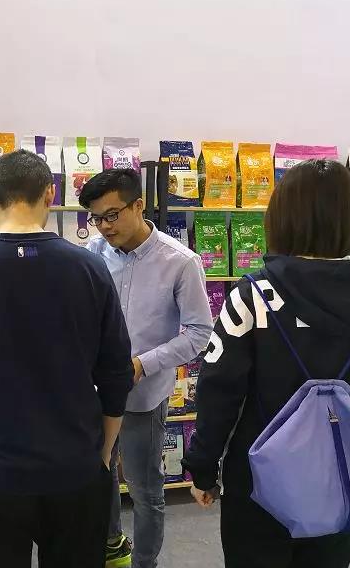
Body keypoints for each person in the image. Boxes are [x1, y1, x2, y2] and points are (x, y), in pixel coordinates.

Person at [0, 150, 134, 568]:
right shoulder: (90, 269)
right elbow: (116, 373)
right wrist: (103, 453)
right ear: (50, 194)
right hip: (76, 468)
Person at [182, 159, 350, 568]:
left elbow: (218, 390)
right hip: (343, 475)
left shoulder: (253, 295)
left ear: (280, 217)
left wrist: (203, 469)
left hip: (260, 480)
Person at [79, 169, 213, 568]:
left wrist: (143, 363)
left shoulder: (181, 262)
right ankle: (111, 546)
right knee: (98, 474)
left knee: (144, 488)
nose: (104, 226)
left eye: (112, 215)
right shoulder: (92, 254)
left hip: (144, 396)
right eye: (96, 218)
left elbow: (199, 333)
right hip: (95, 392)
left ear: (138, 205)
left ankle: (145, 562)